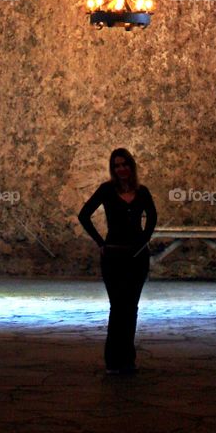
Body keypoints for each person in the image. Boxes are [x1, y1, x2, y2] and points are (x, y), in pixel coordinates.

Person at [78, 148, 157, 375]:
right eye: (117, 166)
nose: (121, 169)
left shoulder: (142, 192)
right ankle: (113, 360)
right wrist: (100, 243)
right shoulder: (106, 190)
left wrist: (143, 241)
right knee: (117, 307)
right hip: (113, 255)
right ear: (113, 169)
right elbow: (84, 215)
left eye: (124, 164)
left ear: (131, 166)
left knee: (131, 307)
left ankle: (128, 359)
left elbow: (152, 217)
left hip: (136, 257)